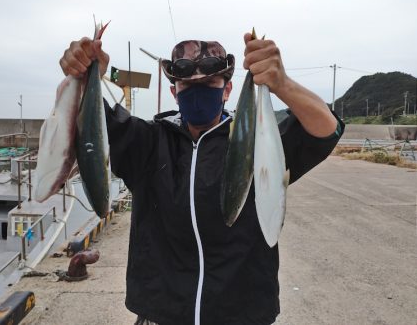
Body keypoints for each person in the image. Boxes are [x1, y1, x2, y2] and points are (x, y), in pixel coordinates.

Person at [60, 33, 344, 325]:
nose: (197, 93)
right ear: (174, 92)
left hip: (242, 315)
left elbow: (326, 130)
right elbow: (79, 122)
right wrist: (80, 74)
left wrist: (282, 84)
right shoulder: (146, 143)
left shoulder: (255, 144)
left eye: (209, 84)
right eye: (187, 85)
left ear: (227, 90)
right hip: (161, 314)